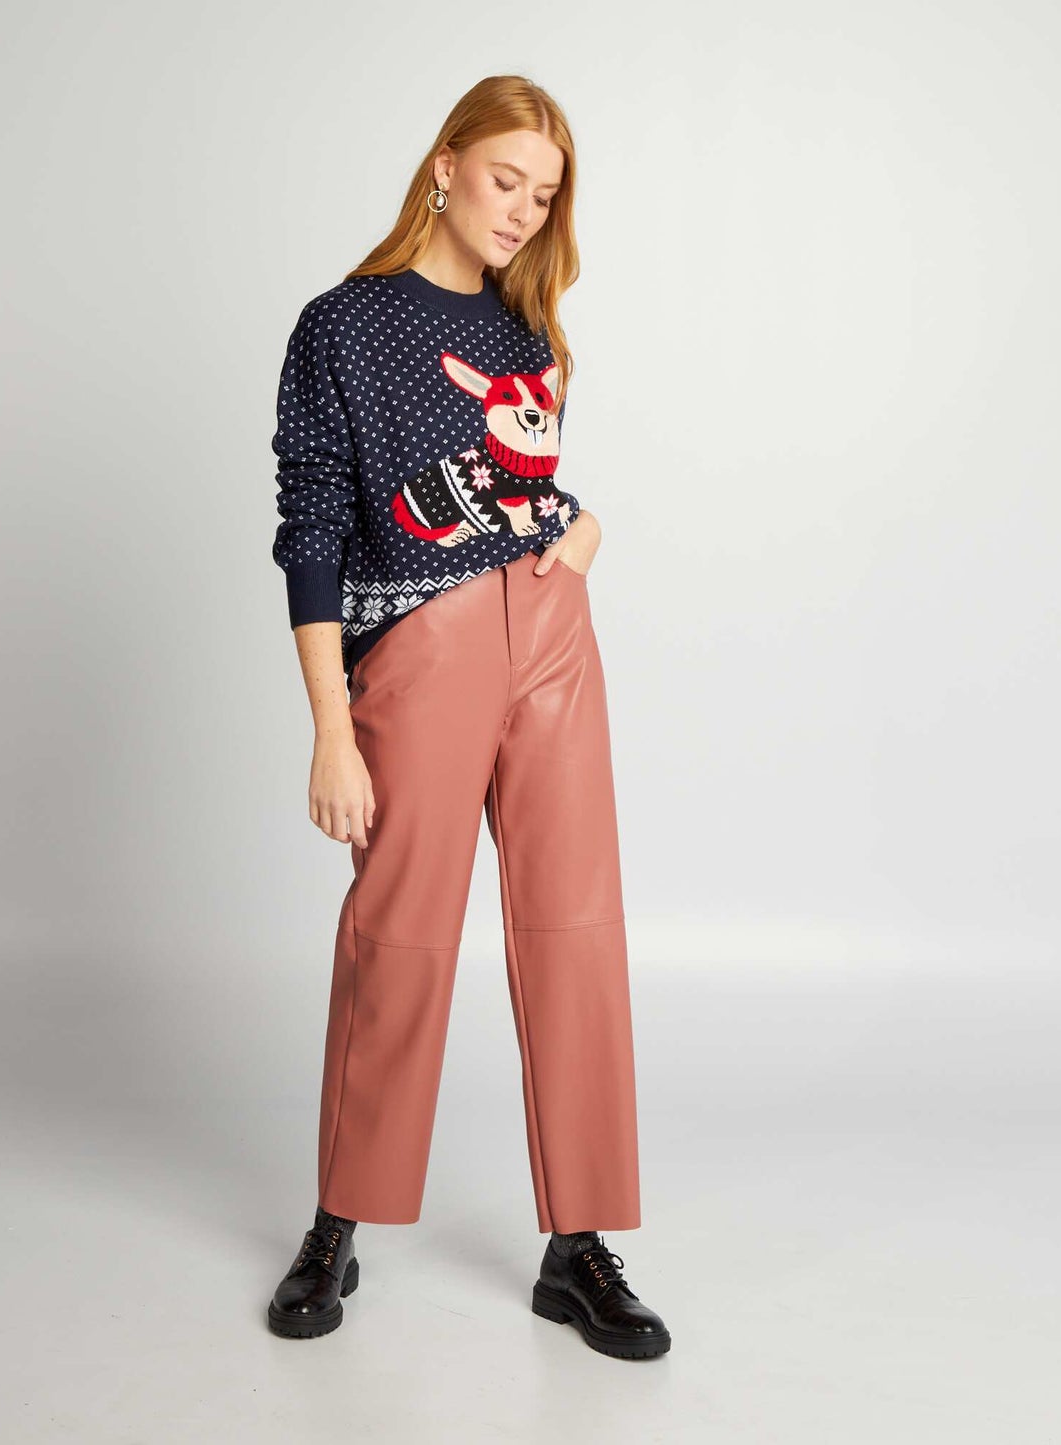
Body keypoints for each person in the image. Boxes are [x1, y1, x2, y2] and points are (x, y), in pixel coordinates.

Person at [264, 75, 670, 1360]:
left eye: (543, 196)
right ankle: (339, 1216)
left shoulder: (524, 327)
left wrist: (583, 528)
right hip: (419, 646)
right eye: (506, 181)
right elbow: (313, 524)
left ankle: (578, 1243)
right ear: (443, 164)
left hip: (549, 637)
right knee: (399, 929)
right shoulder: (342, 324)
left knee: (574, 924)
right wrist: (331, 725)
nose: (521, 212)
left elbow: (514, 481)